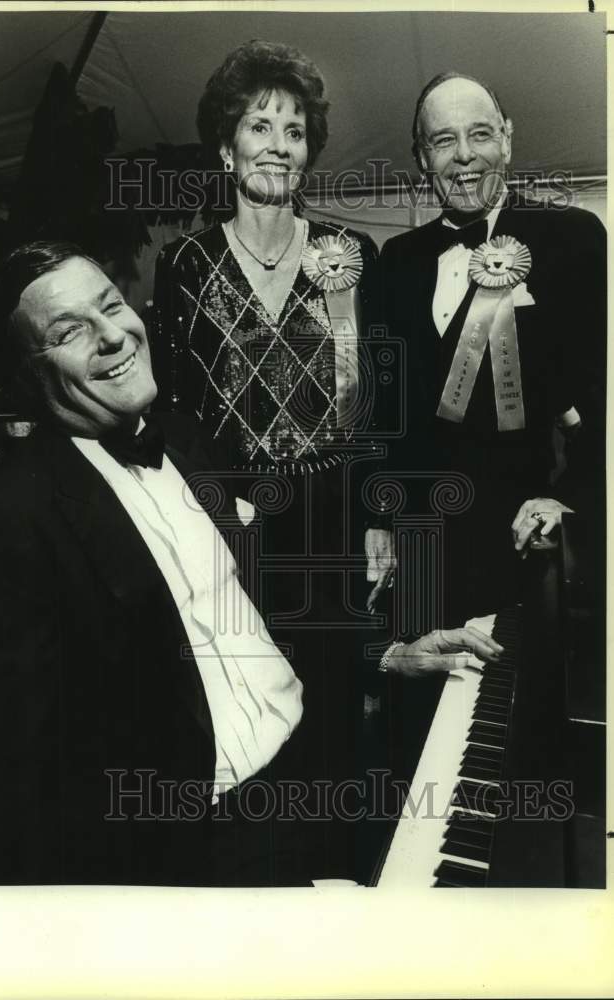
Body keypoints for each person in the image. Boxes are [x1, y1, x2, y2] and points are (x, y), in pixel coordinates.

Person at [0, 240, 503, 887]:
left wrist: (386, 652)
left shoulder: (183, 436)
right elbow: (13, 780)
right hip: (184, 844)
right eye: (69, 331)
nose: (112, 336)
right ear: (23, 374)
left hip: (309, 772)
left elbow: (257, 611)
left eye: (111, 306)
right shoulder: (3, 516)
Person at [151, 39, 396, 878]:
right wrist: (221, 501)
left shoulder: (348, 254)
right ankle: (261, 879)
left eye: (293, 130)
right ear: (226, 146)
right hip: (237, 526)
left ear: (308, 151)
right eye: (259, 125)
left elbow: (371, 406)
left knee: (334, 696)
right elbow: (174, 410)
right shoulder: (184, 264)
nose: (277, 143)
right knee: (249, 701)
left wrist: (374, 517)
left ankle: (341, 872)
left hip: (331, 516)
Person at [378, 71, 606, 624]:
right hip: (423, 557)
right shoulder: (396, 260)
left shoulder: (573, 237)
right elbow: (388, 413)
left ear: (507, 138)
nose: (464, 156)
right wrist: (379, 517)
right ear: (421, 157)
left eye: (479, 134)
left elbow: (604, 396)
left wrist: (570, 497)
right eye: (442, 140)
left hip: (531, 540)